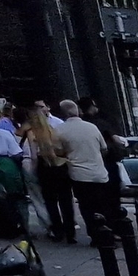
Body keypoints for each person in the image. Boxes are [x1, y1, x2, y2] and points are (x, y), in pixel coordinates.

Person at [53, 100, 118, 244]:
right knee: (102, 204)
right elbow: (104, 149)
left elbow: (58, 152)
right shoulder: (92, 127)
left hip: (78, 173)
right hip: (99, 172)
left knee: (86, 206)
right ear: (77, 111)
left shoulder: (59, 130)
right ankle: (107, 232)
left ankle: (95, 234)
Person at [26, 102, 76, 240]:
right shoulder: (55, 130)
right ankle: (70, 232)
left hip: (45, 167)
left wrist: (32, 171)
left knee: (50, 201)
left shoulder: (32, 133)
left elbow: (34, 156)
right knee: (66, 200)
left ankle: (58, 230)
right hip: (60, 167)